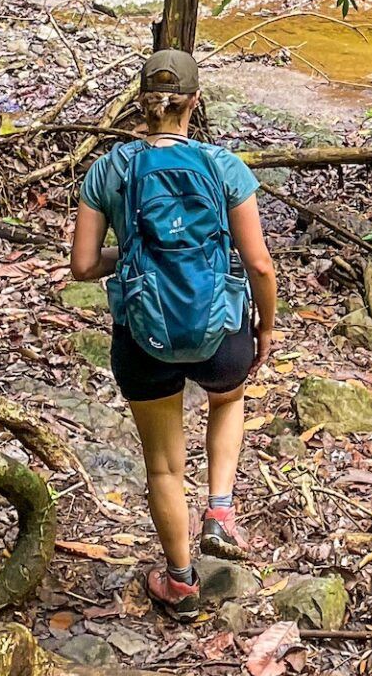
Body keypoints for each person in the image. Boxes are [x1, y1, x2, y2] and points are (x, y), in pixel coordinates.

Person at [70, 49, 277, 610]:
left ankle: (181, 582)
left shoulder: (109, 170)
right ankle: (220, 509)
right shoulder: (223, 166)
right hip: (221, 332)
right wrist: (265, 329)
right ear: (196, 103)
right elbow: (258, 264)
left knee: (163, 465)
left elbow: (84, 267)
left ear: (140, 104)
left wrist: (138, 253)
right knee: (228, 397)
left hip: (143, 336)